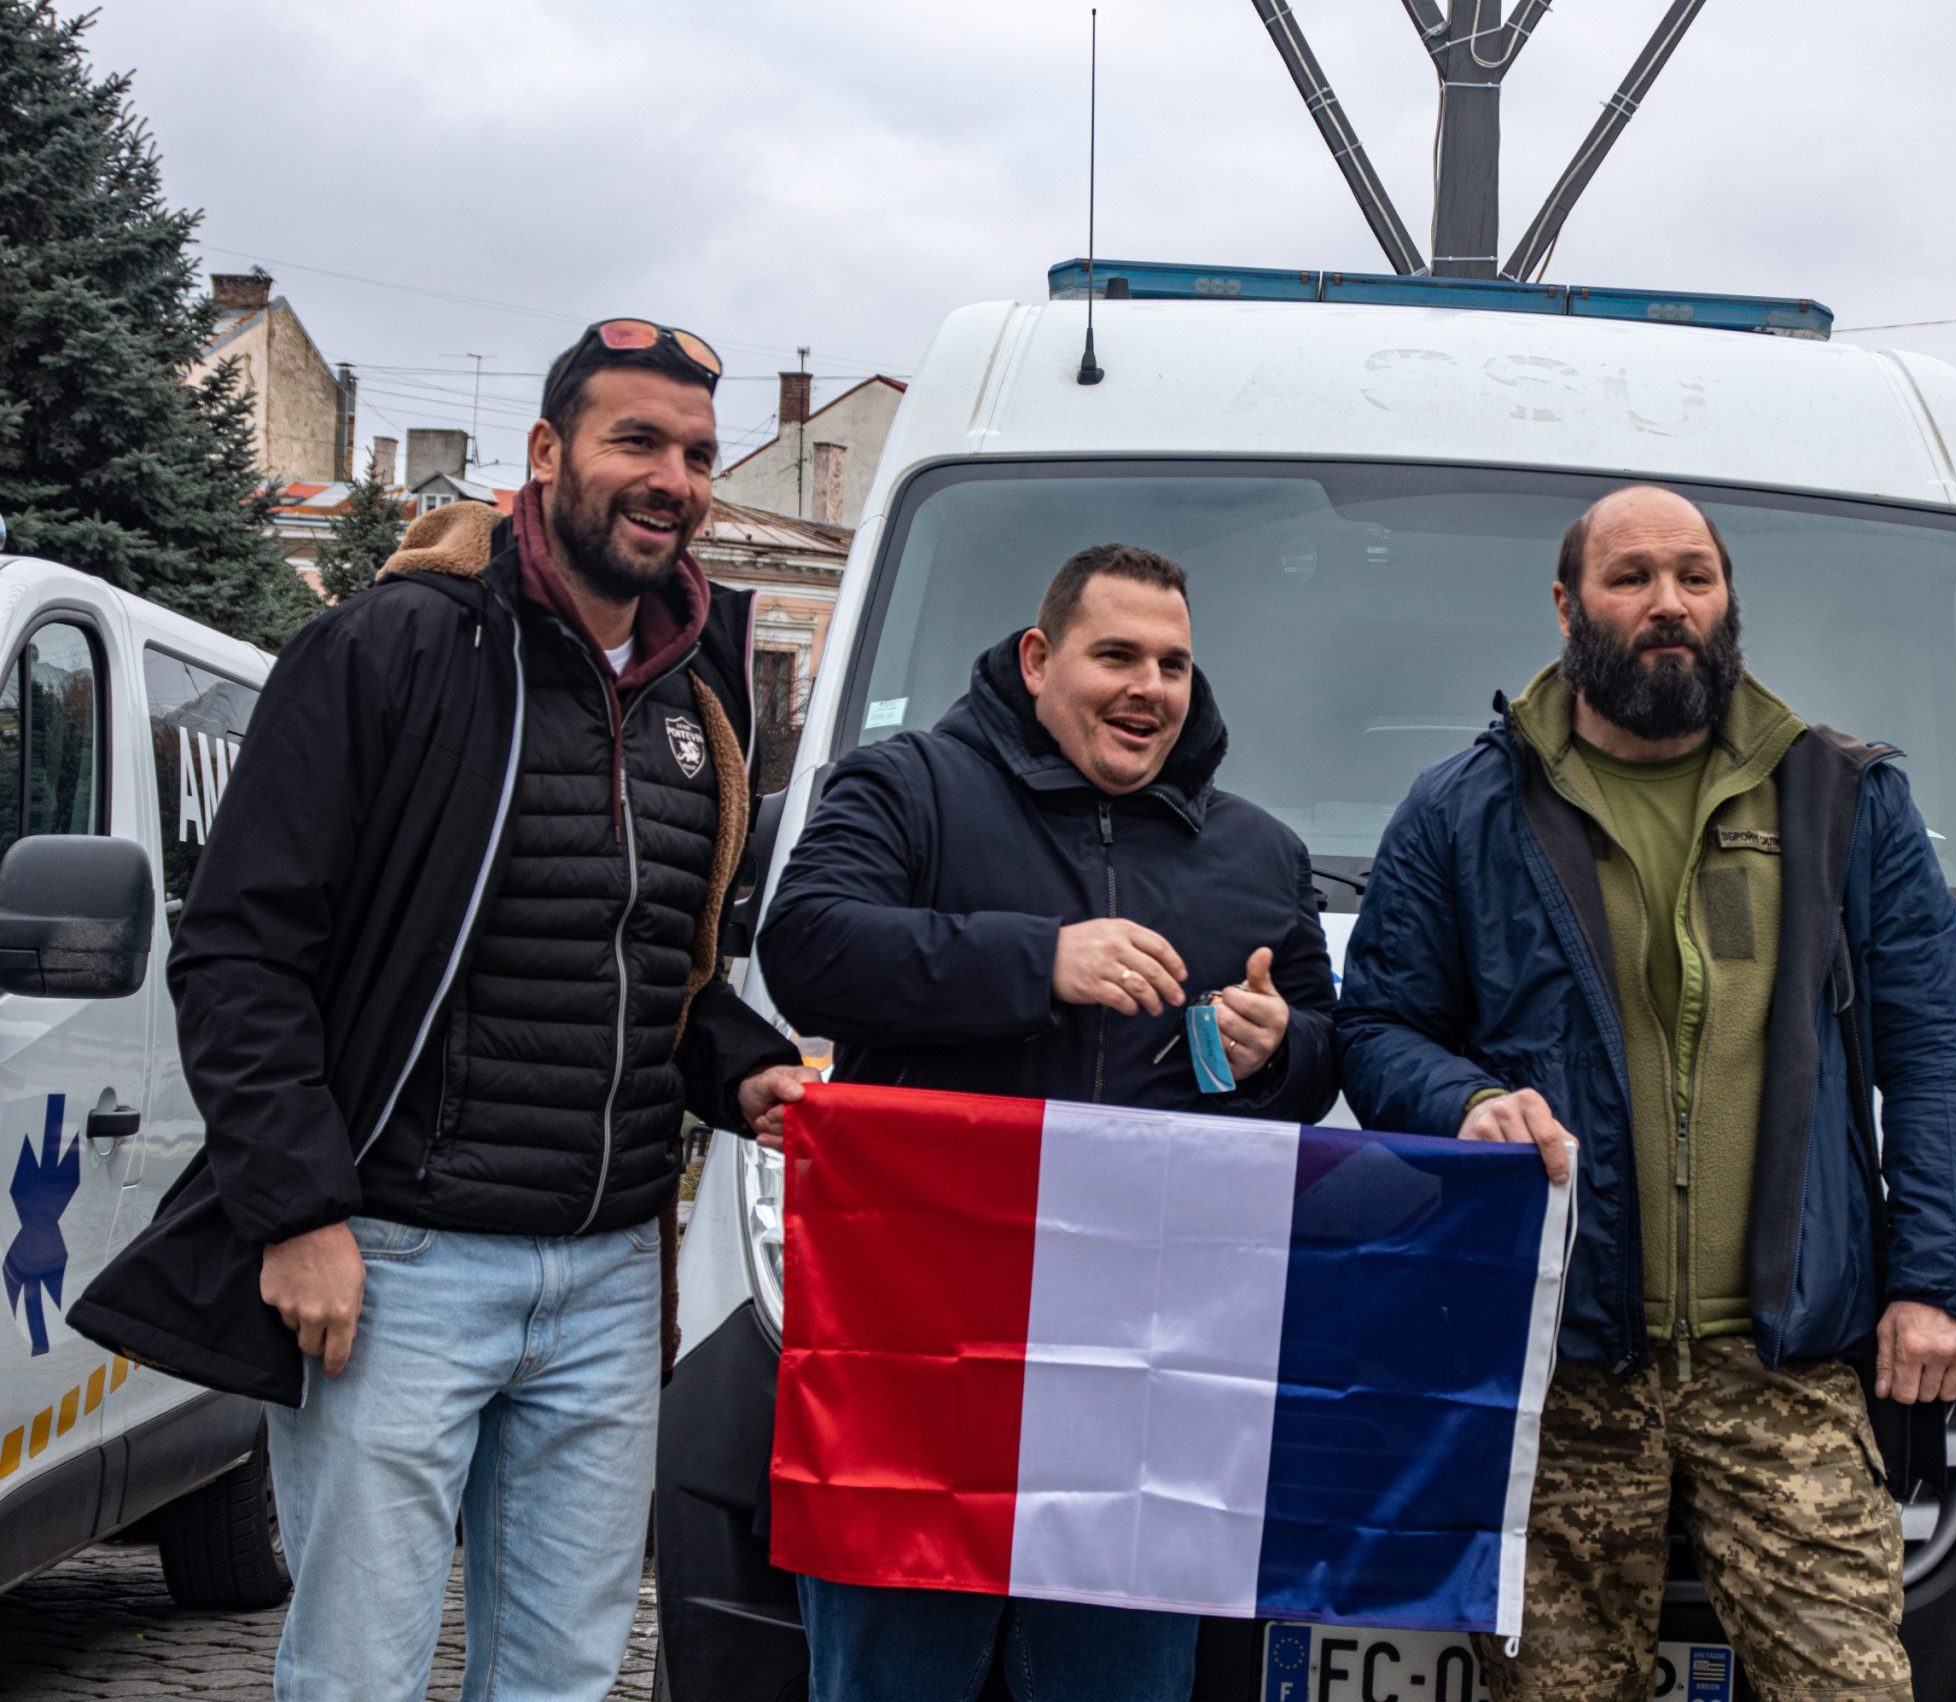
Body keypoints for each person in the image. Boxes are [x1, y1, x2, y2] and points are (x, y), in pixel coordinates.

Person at [83, 320, 811, 1701]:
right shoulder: (392, 648)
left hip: (609, 1275)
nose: (672, 479)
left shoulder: (698, 691)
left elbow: (651, 964)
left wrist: (748, 1070)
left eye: (698, 454)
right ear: (544, 454)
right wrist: (297, 1210)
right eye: (636, 441)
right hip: (399, 1262)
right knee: (358, 1672)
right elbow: (240, 951)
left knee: (561, 1677)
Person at [1335, 485, 1956, 1702]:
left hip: (1784, 1366)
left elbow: (1934, 1046)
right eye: (1630, 577)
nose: (1668, 603)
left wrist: (1937, 1281)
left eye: (1694, 576)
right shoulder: (1463, 809)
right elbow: (1375, 1025)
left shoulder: (1842, 797)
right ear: (1567, 605)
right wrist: (1462, 1099)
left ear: (1728, 598)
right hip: (1559, 1367)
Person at [758, 541, 1340, 1702]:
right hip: (918, 1368)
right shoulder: (906, 786)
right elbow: (807, 946)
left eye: (1172, 664)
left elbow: (1321, 1056)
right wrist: (1041, 961)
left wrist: (1274, 1048)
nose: (1148, 688)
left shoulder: (1260, 852)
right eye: (1115, 655)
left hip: (1140, 1387)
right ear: (1037, 659)